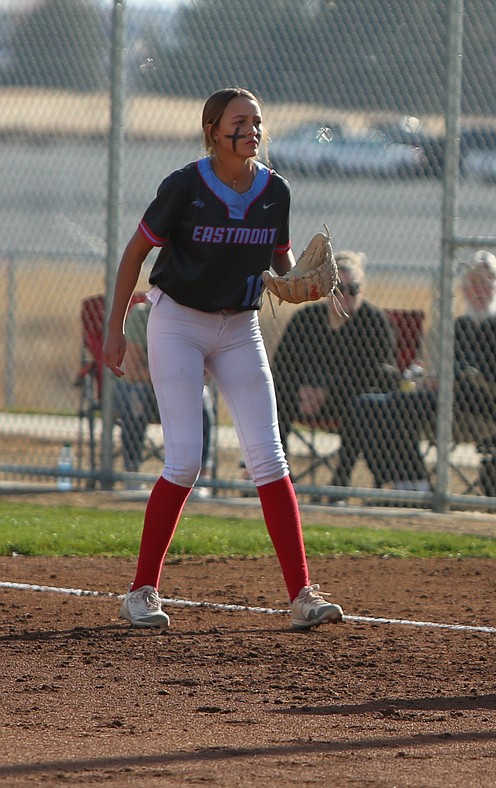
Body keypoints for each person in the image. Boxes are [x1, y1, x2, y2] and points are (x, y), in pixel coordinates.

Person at [102, 87, 344, 631]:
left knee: (269, 457)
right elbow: (135, 254)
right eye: (240, 121)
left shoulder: (275, 190)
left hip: (240, 326)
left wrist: (294, 283)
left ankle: (302, 595)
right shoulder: (185, 185)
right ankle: (140, 592)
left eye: (257, 121)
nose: (252, 130)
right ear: (213, 129)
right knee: (185, 460)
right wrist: (115, 327)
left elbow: (278, 264)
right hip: (178, 321)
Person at [354, 250, 496, 492]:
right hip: (449, 403)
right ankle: (405, 481)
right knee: (368, 405)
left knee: (399, 407)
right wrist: (432, 379)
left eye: (485, 282)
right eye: (471, 283)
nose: (478, 290)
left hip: (491, 412)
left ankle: (414, 485)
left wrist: (458, 377)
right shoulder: (460, 327)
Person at [271, 249, 400, 494]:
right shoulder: (306, 319)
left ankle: (340, 482)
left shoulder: (374, 322)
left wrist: (326, 390)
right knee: (276, 393)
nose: (345, 295)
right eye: (338, 288)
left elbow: (375, 374)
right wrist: (305, 388)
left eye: (353, 289)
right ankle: (281, 474)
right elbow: (283, 364)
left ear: (363, 290)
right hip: (302, 397)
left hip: (348, 399)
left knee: (362, 405)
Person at [115, 300, 215, 495]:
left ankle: (201, 476)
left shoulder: (197, 316)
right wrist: (176, 373)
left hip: (182, 390)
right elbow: (134, 373)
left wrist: (172, 373)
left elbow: (206, 371)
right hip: (148, 393)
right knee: (137, 396)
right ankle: (132, 473)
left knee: (202, 397)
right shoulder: (142, 315)